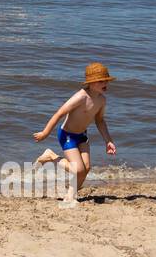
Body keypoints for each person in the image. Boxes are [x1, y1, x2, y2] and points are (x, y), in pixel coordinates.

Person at [34, 62, 118, 196]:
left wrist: (108, 141)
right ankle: (51, 156)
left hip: (82, 135)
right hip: (67, 135)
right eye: (101, 81)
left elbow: (100, 121)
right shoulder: (80, 97)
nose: (105, 83)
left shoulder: (102, 100)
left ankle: (71, 195)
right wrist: (45, 133)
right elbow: (59, 113)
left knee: (86, 168)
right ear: (91, 83)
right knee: (78, 169)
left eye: (106, 80)